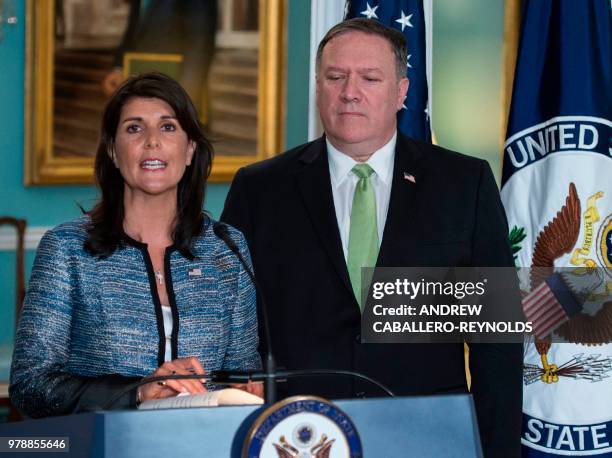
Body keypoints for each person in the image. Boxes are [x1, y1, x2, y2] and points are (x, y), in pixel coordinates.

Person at [221, 18, 522, 456]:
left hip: (426, 439)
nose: (349, 92)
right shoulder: (260, 189)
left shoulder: (463, 184)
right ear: (319, 86)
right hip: (297, 438)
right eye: (335, 77)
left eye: (369, 78)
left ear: (401, 92)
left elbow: (496, 346)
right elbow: (234, 333)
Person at [10, 72, 261, 418]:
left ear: (190, 150)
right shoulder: (67, 250)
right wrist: (138, 392)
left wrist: (247, 387)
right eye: (134, 128)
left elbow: (243, 374)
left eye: (168, 127)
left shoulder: (226, 248)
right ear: (113, 151)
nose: (152, 141)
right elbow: (30, 386)